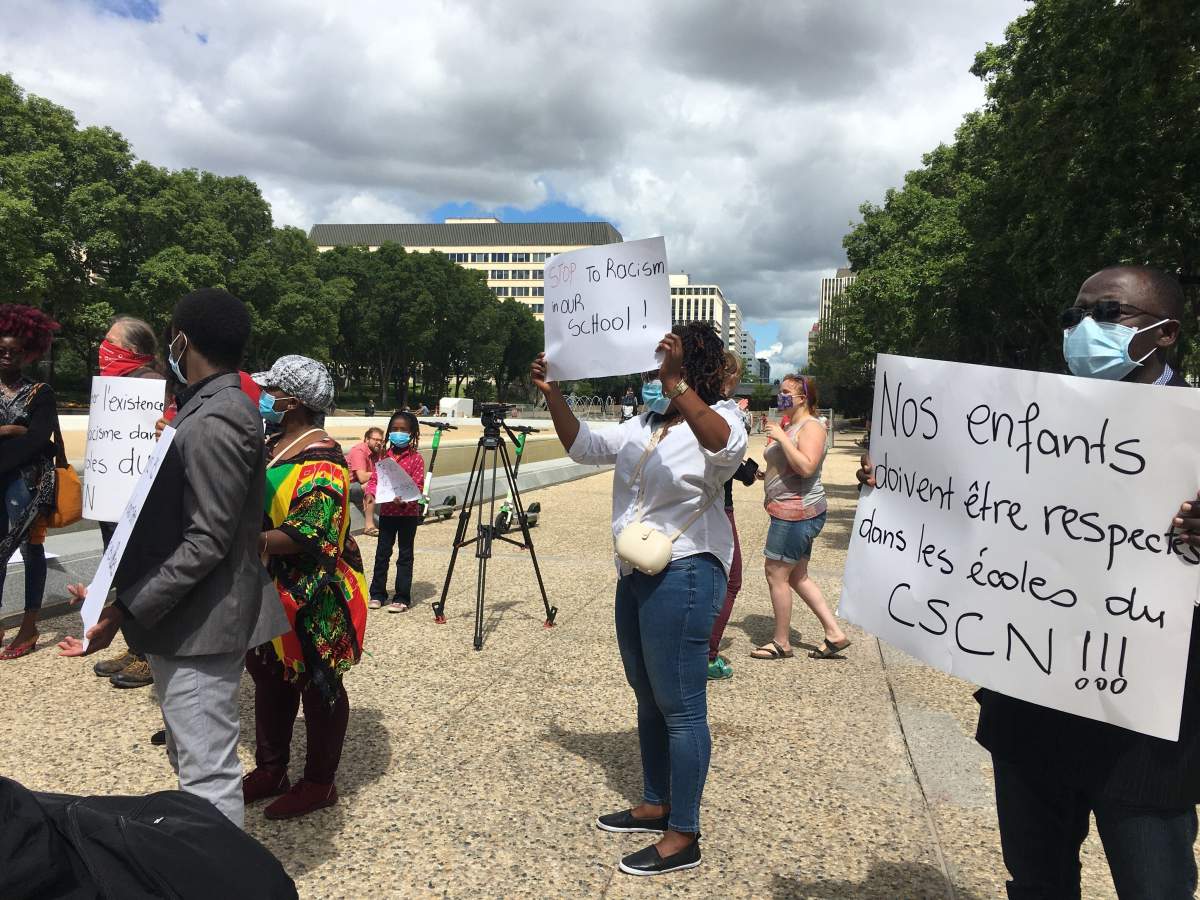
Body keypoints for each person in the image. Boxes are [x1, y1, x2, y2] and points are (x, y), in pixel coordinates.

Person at [860, 266, 1200, 898]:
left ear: (1167, 333)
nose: (1083, 330)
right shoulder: (1015, 424)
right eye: (1075, 316)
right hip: (1032, 712)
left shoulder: (1197, 433)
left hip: (1146, 737)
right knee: (1037, 884)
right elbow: (971, 520)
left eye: (1108, 314)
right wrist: (901, 488)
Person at [60, 287, 288, 829]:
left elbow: (207, 539)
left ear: (181, 341)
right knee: (190, 760)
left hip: (201, 623)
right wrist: (113, 594)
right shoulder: (208, 409)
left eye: (171, 339)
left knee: (207, 775)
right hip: (186, 617)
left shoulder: (217, 417)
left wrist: (127, 608)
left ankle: (224, 878)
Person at [533, 323, 747, 876]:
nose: (653, 374)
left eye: (664, 363)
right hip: (635, 571)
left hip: (686, 571)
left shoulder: (725, 417)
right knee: (647, 696)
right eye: (654, 366)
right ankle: (656, 803)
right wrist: (553, 394)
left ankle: (684, 834)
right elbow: (581, 446)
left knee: (681, 707)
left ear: (690, 366)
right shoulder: (642, 424)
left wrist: (678, 387)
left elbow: (723, 445)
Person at [243, 355, 369, 820]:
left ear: (292, 401)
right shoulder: (276, 442)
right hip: (267, 583)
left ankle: (319, 782)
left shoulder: (324, 459)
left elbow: (311, 533)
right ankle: (270, 768)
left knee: (320, 683)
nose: (264, 398)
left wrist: (246, 539)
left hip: (314, 593)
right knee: (269, 675)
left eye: (271, 391)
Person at [752, 374, 850, 661]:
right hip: (788, 510)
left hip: (796, 514)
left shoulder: (812, 427)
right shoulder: (791, 424)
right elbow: (785, 466)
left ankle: (781, 642)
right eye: (779, 391)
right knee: (797, 576)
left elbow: (806, 467)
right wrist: (763, 474)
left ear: (803, 397)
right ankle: (834, 634)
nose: (779, 397)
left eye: (785, 392)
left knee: (775, 573)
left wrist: (781, 438)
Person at [91, 316, 166, 688]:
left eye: (110, 342)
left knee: (141, 574)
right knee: (124, 574)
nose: (102, 349)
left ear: (133, 352)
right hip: (114, 501)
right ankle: (136, 646)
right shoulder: (114, 386)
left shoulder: (149, 386)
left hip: (140, 504)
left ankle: (152, 654)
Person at [0, 305, 61, 660]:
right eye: (2, 350)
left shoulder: (40, 392)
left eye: (15, 351)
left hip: (33, 486)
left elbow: (39, 439)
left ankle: (30, 624)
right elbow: (27, 436)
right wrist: (10, 429)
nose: (8, 356)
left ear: (28, 353)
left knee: (30, 551)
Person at [708, 352, 749, 681]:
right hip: (720, 504)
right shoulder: (722, 412)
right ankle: (707, 652)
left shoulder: (694, 406)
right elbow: (725, 457)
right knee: (730, 580)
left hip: (708, 502)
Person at [366, 411, 425, 612]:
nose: (398, 433)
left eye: (403, 430)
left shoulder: (416, 459)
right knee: (382, 553)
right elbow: (375, 479)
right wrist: (370, 493)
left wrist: (405, 500)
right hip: (388, 513)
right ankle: (377, 593)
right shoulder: (384, 457)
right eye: (394, 429)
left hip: (407, 515)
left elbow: (417, 485)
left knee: (405, 555)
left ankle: (402, 597)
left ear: (412, 433)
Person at [347, 427, 384, 537]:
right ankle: (369, 526)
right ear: (367, 439)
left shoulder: (378, 451)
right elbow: (362, 477)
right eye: (375, 439)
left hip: (361, 485)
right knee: (371, 485)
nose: (378, 443)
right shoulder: (359, 451)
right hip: (348, 487)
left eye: (380, 440)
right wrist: (380, 474)